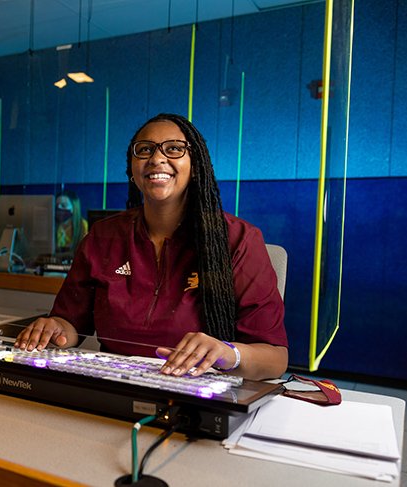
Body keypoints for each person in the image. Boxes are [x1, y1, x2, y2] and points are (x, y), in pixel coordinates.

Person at [15, 113, 288, 381]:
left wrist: (228, 353)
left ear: (196, 165)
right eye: (144, 150)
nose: (157, 158)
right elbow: (71, 325)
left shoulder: (239, 240)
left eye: (174, 149)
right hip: (114, 385)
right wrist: (55, 328)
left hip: (200, 391)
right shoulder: (103, 236)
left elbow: (275, 359)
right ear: (132, 169)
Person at [55, 190, 88, 254]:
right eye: (56, 206)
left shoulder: (83, 225)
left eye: (63, 205)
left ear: (74, 208)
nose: (59, 208)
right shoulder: (53, 226)